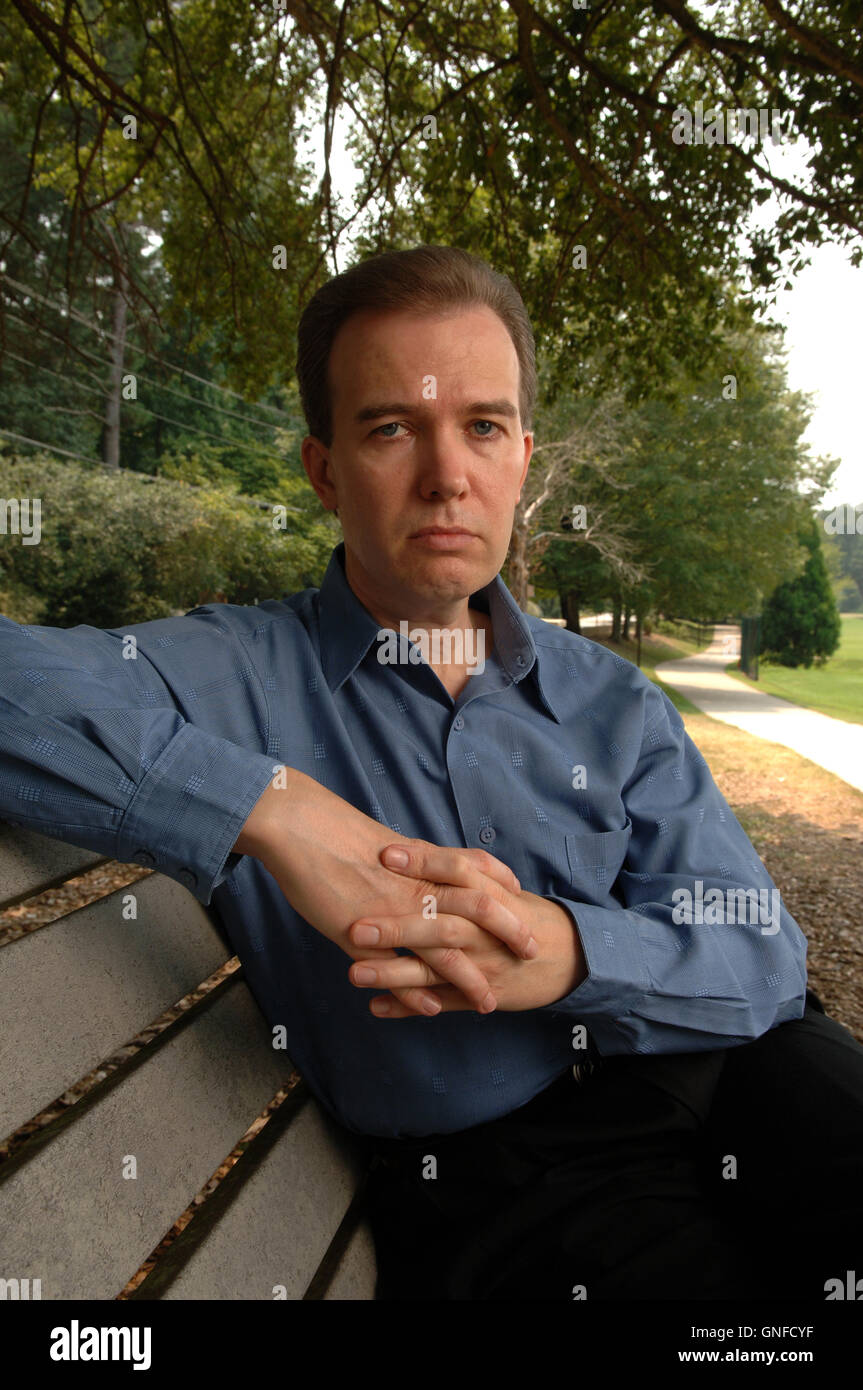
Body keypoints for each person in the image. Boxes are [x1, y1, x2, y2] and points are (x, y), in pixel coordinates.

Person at [1, 245, 861, 1301]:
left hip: (739, 1071)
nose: (447, 474)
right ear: (323, 471)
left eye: (482, 426)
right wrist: (270, 804)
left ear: (521, 460)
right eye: (392, 427)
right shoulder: (226, 674)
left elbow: (762, 955)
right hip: (510, 1179)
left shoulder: (610, 698)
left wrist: (567, 951)